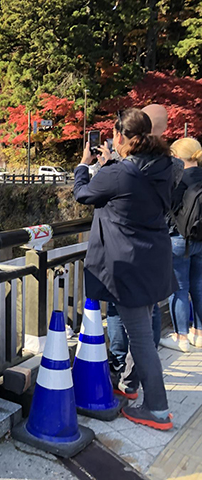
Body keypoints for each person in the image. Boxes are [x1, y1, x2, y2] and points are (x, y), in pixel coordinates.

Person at [74, 108, 176, 430]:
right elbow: (130, 195)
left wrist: (83, 165)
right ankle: (130, 386)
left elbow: (84, 194)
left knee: (142, 339)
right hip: (154, 260)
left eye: (115, 133)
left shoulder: (120, 172)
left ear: (121, 136)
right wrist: (110, 166)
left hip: (129, 265)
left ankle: (158, 409)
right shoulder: (166, 165)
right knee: (144, 329)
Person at [162, 138, 202, 351]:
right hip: (201, 239)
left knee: (179, 289)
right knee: (199, 285)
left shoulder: (177, 179)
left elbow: (168, 210)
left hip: (178, 239)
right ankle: (199, 332)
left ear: (176, 156)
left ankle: (181, 338)